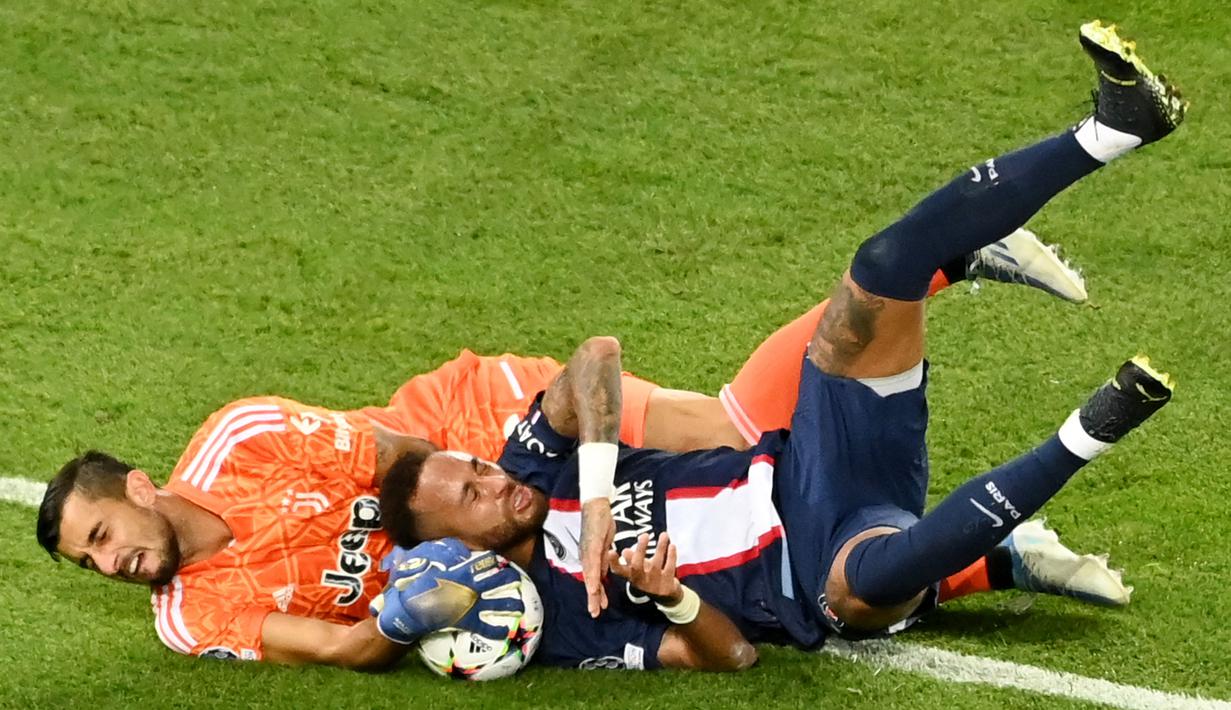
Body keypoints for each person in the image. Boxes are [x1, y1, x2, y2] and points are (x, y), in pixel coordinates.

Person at [32, 45, 1100, 672]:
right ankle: (980, 534)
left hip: (456, 444)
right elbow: (339, 639)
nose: (112, 560)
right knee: (757, 484)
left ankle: (946, 266)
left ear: (136, 485)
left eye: (102, 534)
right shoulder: (190, 609)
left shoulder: (238, 443)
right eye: (93, 563)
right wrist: (424, 606)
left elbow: (397, 462)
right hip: (474, 522)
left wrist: (526, 486)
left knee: (730, 434)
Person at [375, 20, 1183, 671]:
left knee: (881, 270)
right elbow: (728, 660)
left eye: (475, 469)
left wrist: (590, 504)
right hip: (813, 568)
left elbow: (595, 357)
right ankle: (1096, 429)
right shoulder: (554, 620)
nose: (493, 483)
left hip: (809, 456)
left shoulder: (529, 466)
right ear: (456, 544)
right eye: (474, 496)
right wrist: (668, 599)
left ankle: (1111, 132)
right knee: (877, 579)